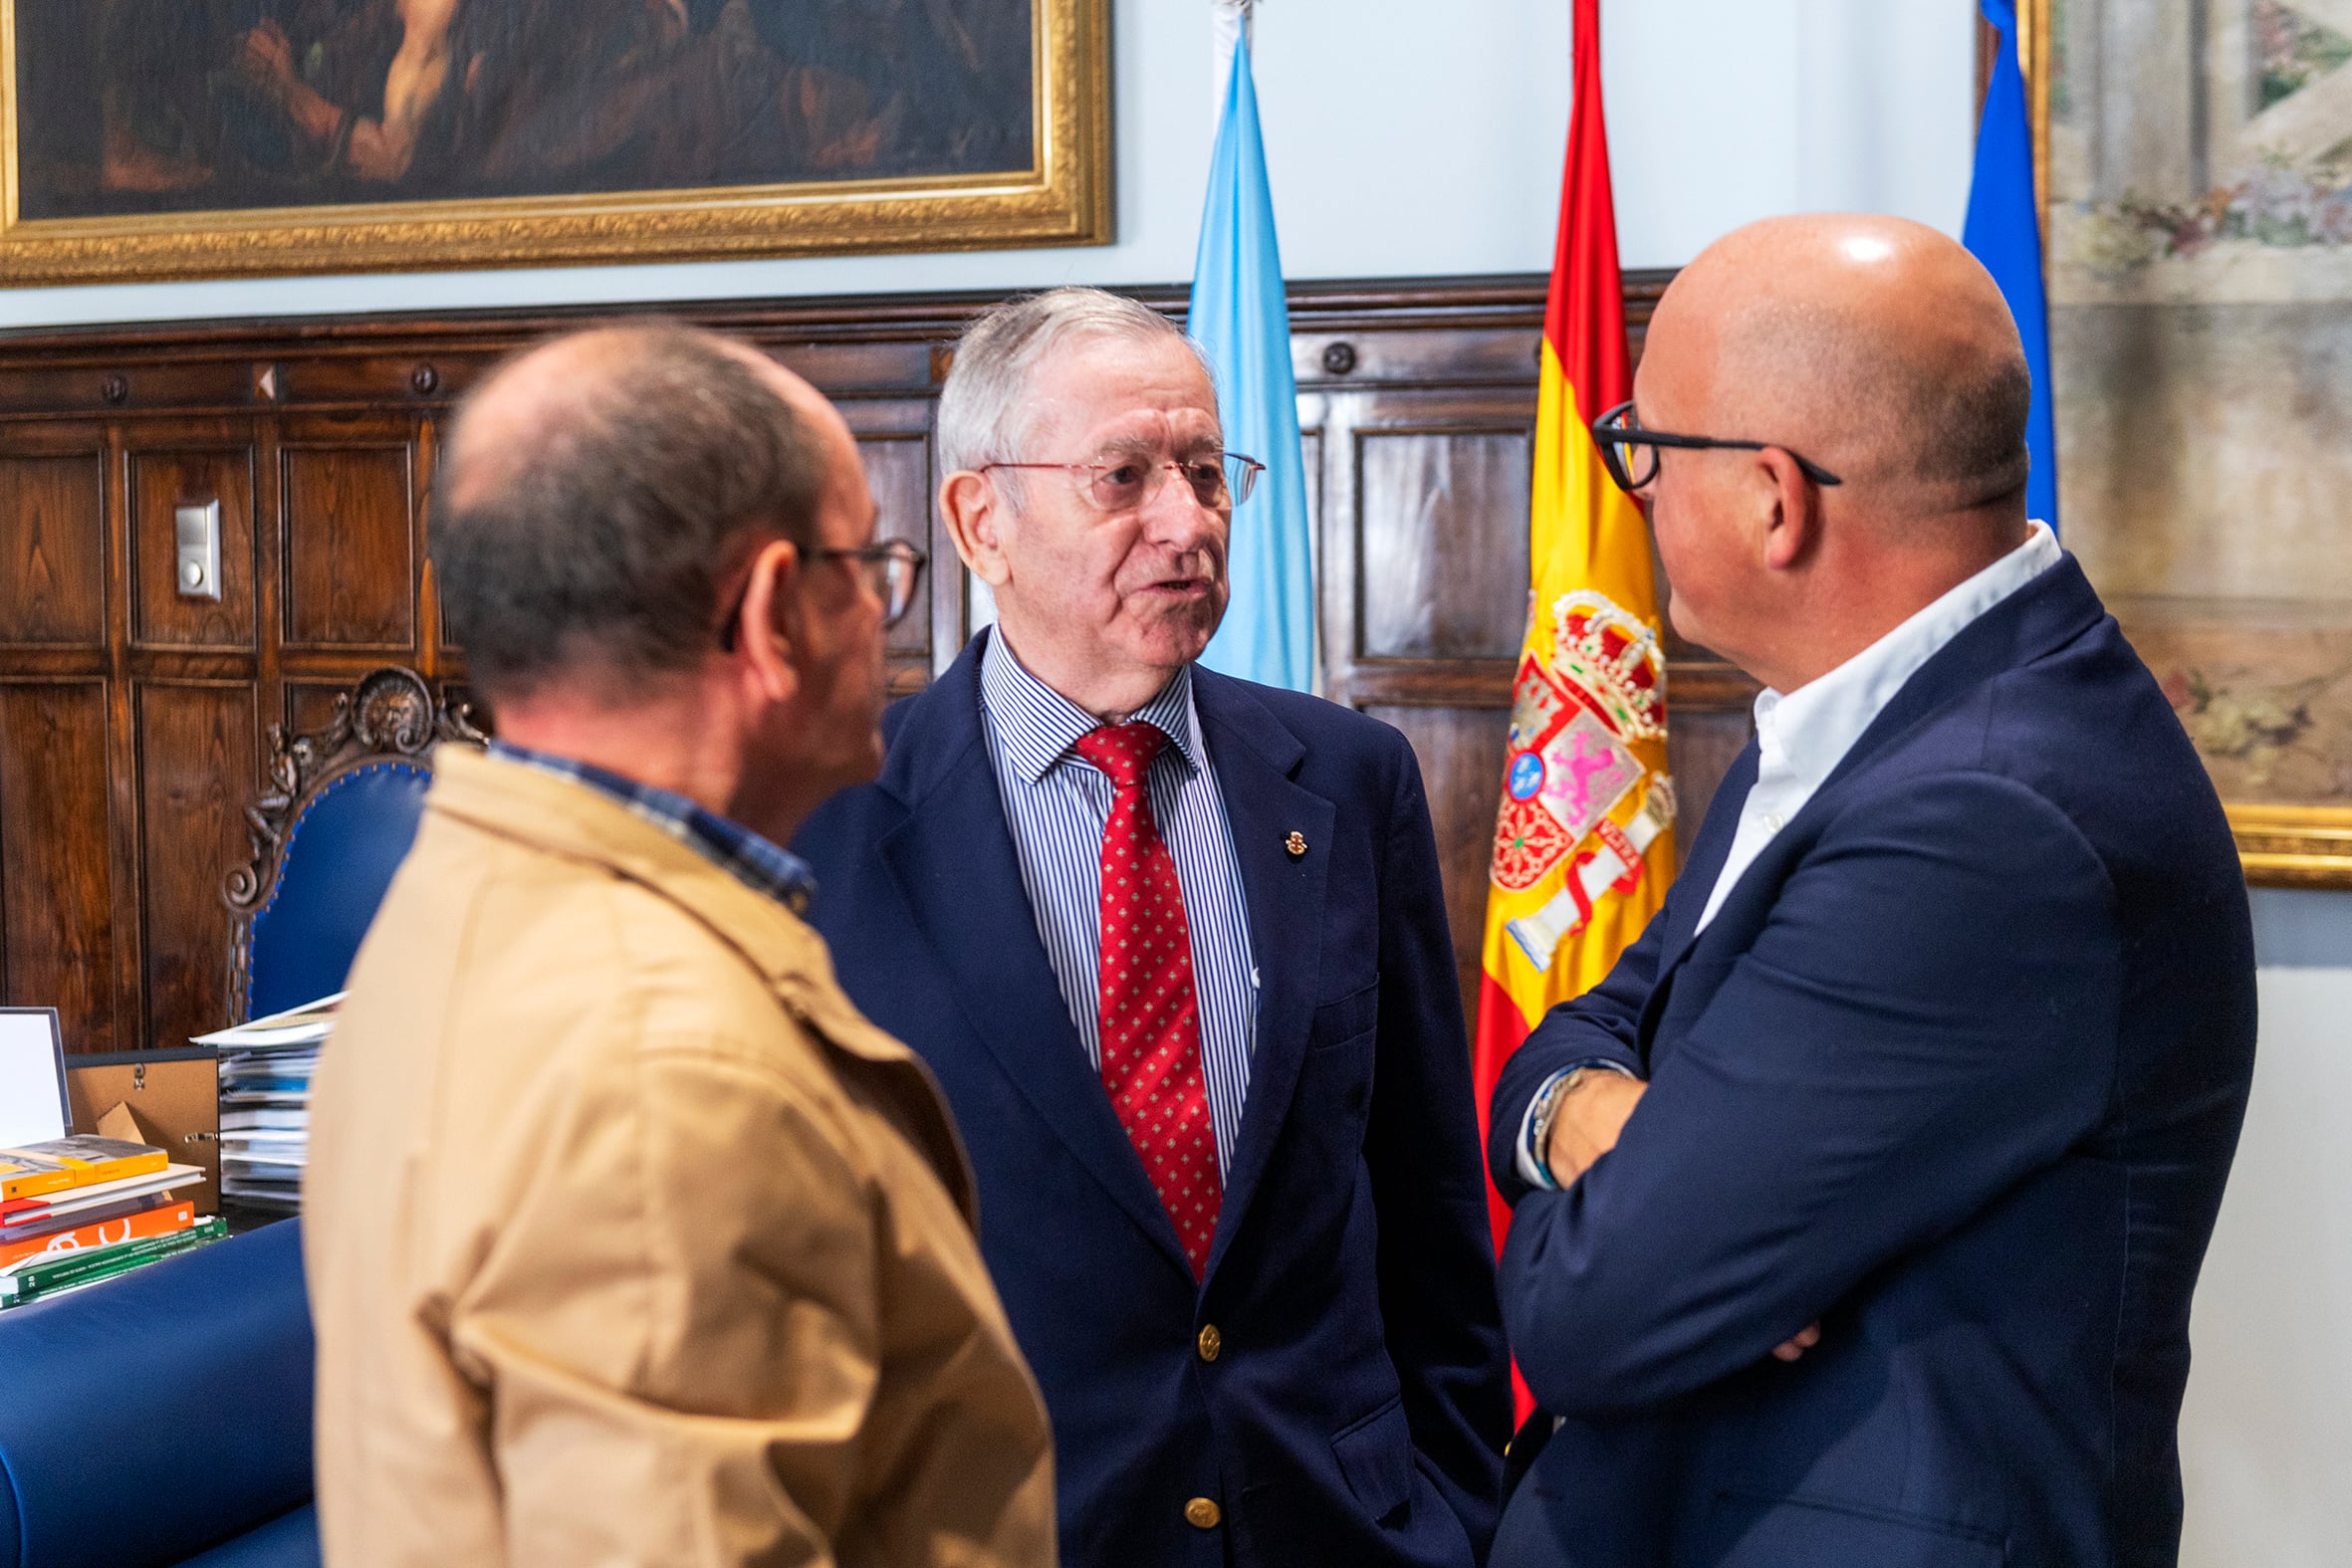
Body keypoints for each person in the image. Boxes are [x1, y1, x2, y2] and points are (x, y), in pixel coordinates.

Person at [1485, 215, 2257, 1568]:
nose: (1638, 491)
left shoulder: (1981, 817)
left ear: (1774, 499)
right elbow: (1578, 1032)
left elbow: (1591, 1307)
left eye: (1644, 450)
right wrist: (1589, 1117)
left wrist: (1650, 1194)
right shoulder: (1873, 716)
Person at [304, 324, 1056, 1568]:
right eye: (871, 568)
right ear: (771, 615)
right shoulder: (667, 1073)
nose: (885, 615)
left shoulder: (466, 897)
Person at [795, 288, 1512, 1567]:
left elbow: (1425, 1206)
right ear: (981, 522)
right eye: (1121, 478)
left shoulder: (1350, 779)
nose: (1186, 524)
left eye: (1204, 472)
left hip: (1339, 1531)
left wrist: (1457, 1516)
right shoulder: (823, 821)